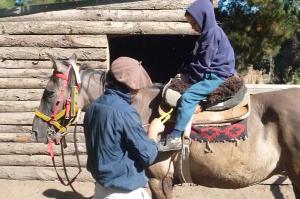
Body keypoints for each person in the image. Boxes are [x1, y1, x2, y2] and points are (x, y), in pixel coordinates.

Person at [159, 0, 237, 151]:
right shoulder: (211, 33)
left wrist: (189, 78)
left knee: (188, 97)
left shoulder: (211, 35)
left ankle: (175, 136)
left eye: (194, 23)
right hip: (215, 71)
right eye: (191, 24)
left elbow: (203, 64)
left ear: (204, 18)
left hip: (217, 75)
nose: (193, 27)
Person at [84, 57, 165, 199]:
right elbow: (147, 156)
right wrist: (153, 131)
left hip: (101, 190)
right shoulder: (126, 112)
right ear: (131, 87)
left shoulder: (92, 108)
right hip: (124, 193)